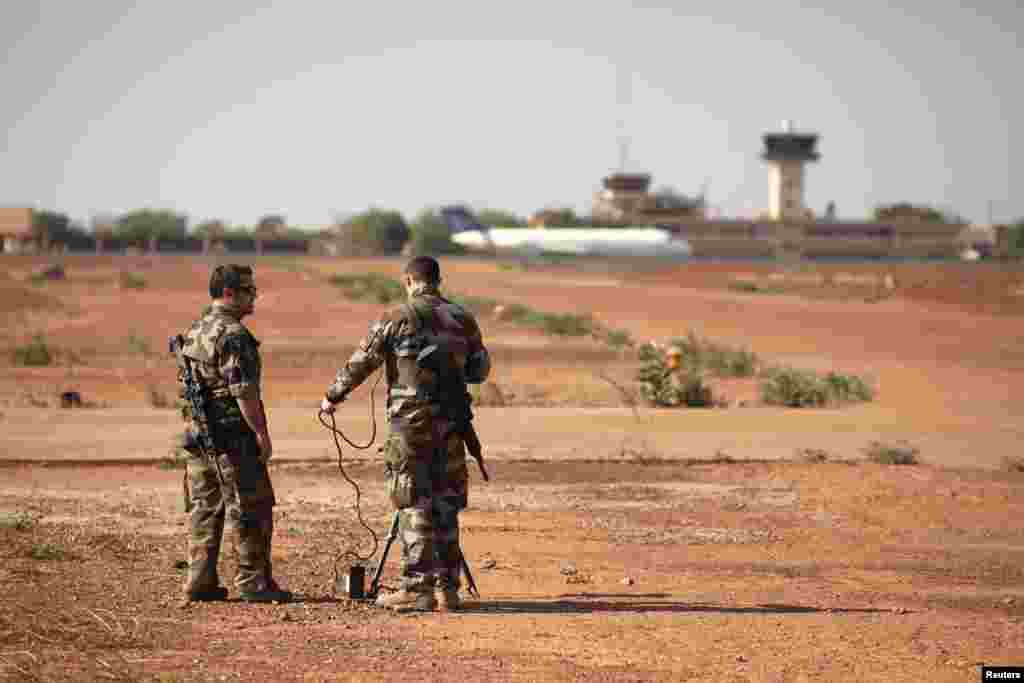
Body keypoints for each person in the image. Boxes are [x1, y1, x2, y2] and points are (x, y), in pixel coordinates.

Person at [320, 256, 491, 612]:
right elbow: (478, 370)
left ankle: (417, 588)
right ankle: (448, 590)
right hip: (452, 424)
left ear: (408, 281)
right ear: (438, 280)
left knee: (413, 501)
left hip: (410, 426)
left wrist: (332, 397)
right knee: (445, 503)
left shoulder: (396, 316)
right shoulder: (462, 318)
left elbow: (361, 362)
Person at [177, 264, 291, 604]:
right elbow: (243, 392)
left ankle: (200, 580)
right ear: (229, 293)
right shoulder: (234, 335)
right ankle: (254, 582)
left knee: (205, 508)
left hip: (198, 435)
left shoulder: (197, 328)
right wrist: (261, 434)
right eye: (247, 290)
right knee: (251, 507)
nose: (253, 296)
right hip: (230, 437)